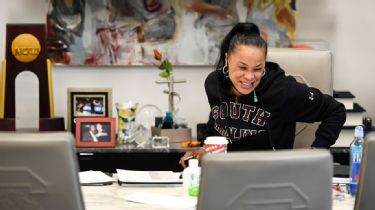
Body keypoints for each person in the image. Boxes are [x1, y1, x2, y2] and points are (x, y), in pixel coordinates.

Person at [179, 22, 346, 167]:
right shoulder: (214, 84)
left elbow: (335, 111)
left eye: (257, 69)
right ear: (227, 59)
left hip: (271, 175)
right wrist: (204, 148)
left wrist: (316, 153)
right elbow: (216, 121)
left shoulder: (282, 90)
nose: (249, 77)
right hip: (225, 172)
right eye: (242, 67)